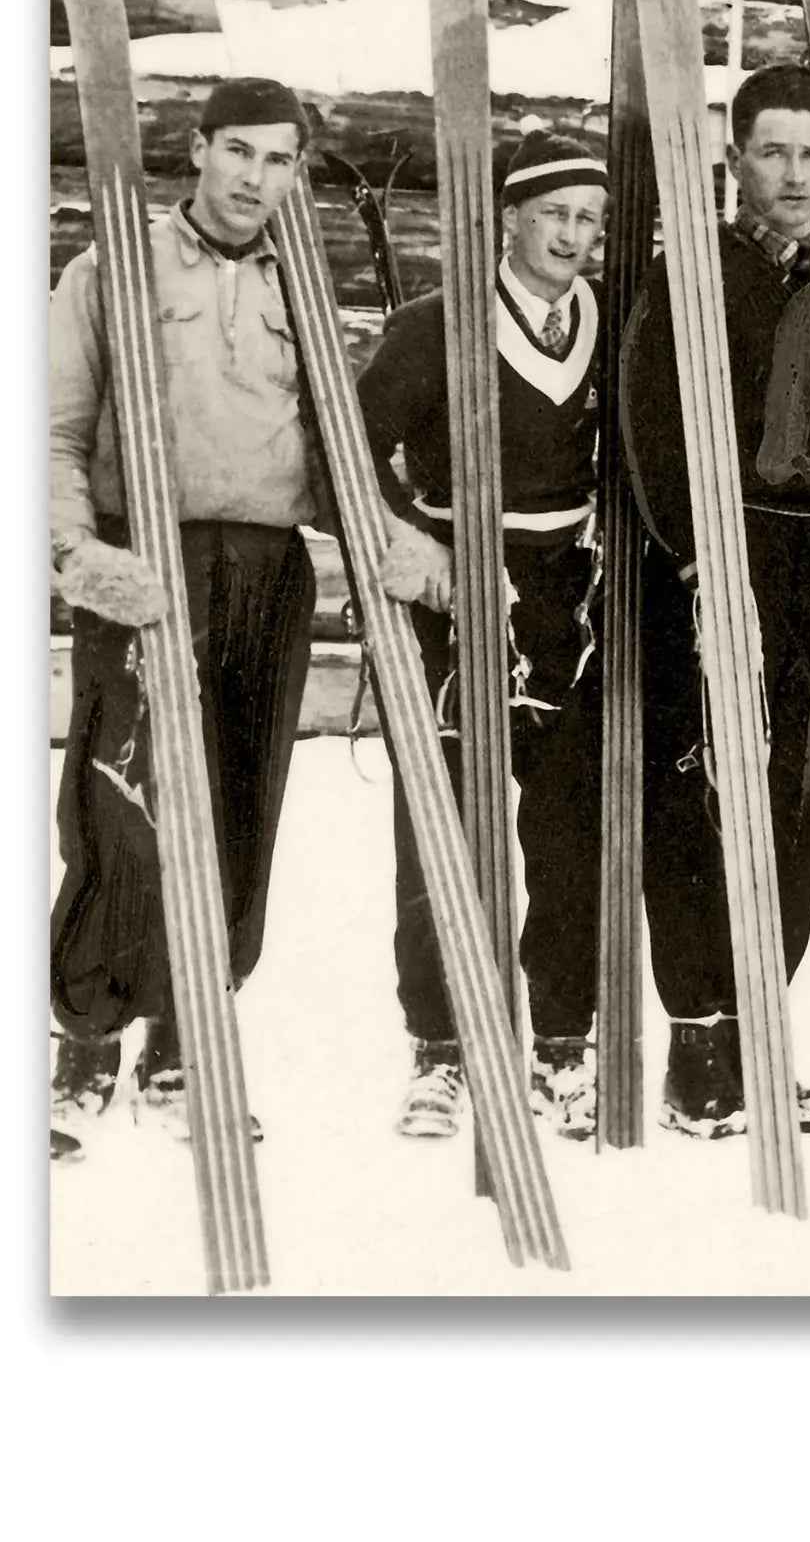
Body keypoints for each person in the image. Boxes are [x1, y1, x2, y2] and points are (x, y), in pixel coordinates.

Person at [49, 78, 323, 1157]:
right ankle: (85, 1038)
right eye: (241, 152)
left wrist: (393, 541)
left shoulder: (294, 281)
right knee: (124, 799)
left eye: (281, 159)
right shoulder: (111, 263)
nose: (258, 178)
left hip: (265, 564)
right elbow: (55, 430)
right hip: (144, 557)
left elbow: (333, 439)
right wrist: (79, 554)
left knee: (241, 800)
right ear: (198, 149)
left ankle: (187, 1036)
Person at [619, 64, 810, 1139]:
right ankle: (699, 1044)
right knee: (706, 791)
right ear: (735, 159)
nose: (794, 173)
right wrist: (693, 561)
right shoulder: (691, 281)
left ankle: (766, 1027)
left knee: (797, 797)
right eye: (773, 150)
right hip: (714, 559)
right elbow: (647, 431)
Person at [359, 129, 610, 1140]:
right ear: (509, 215)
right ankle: (445, 1044)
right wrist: (402, 541)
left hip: (573, 600)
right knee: (445, 825)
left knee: (570, 826)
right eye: (554, 212)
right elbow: (344, 441)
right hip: (458, 591)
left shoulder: (610, 318)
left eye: (589, 217)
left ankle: (560, 1036)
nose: (573, 234)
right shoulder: (436, 326)